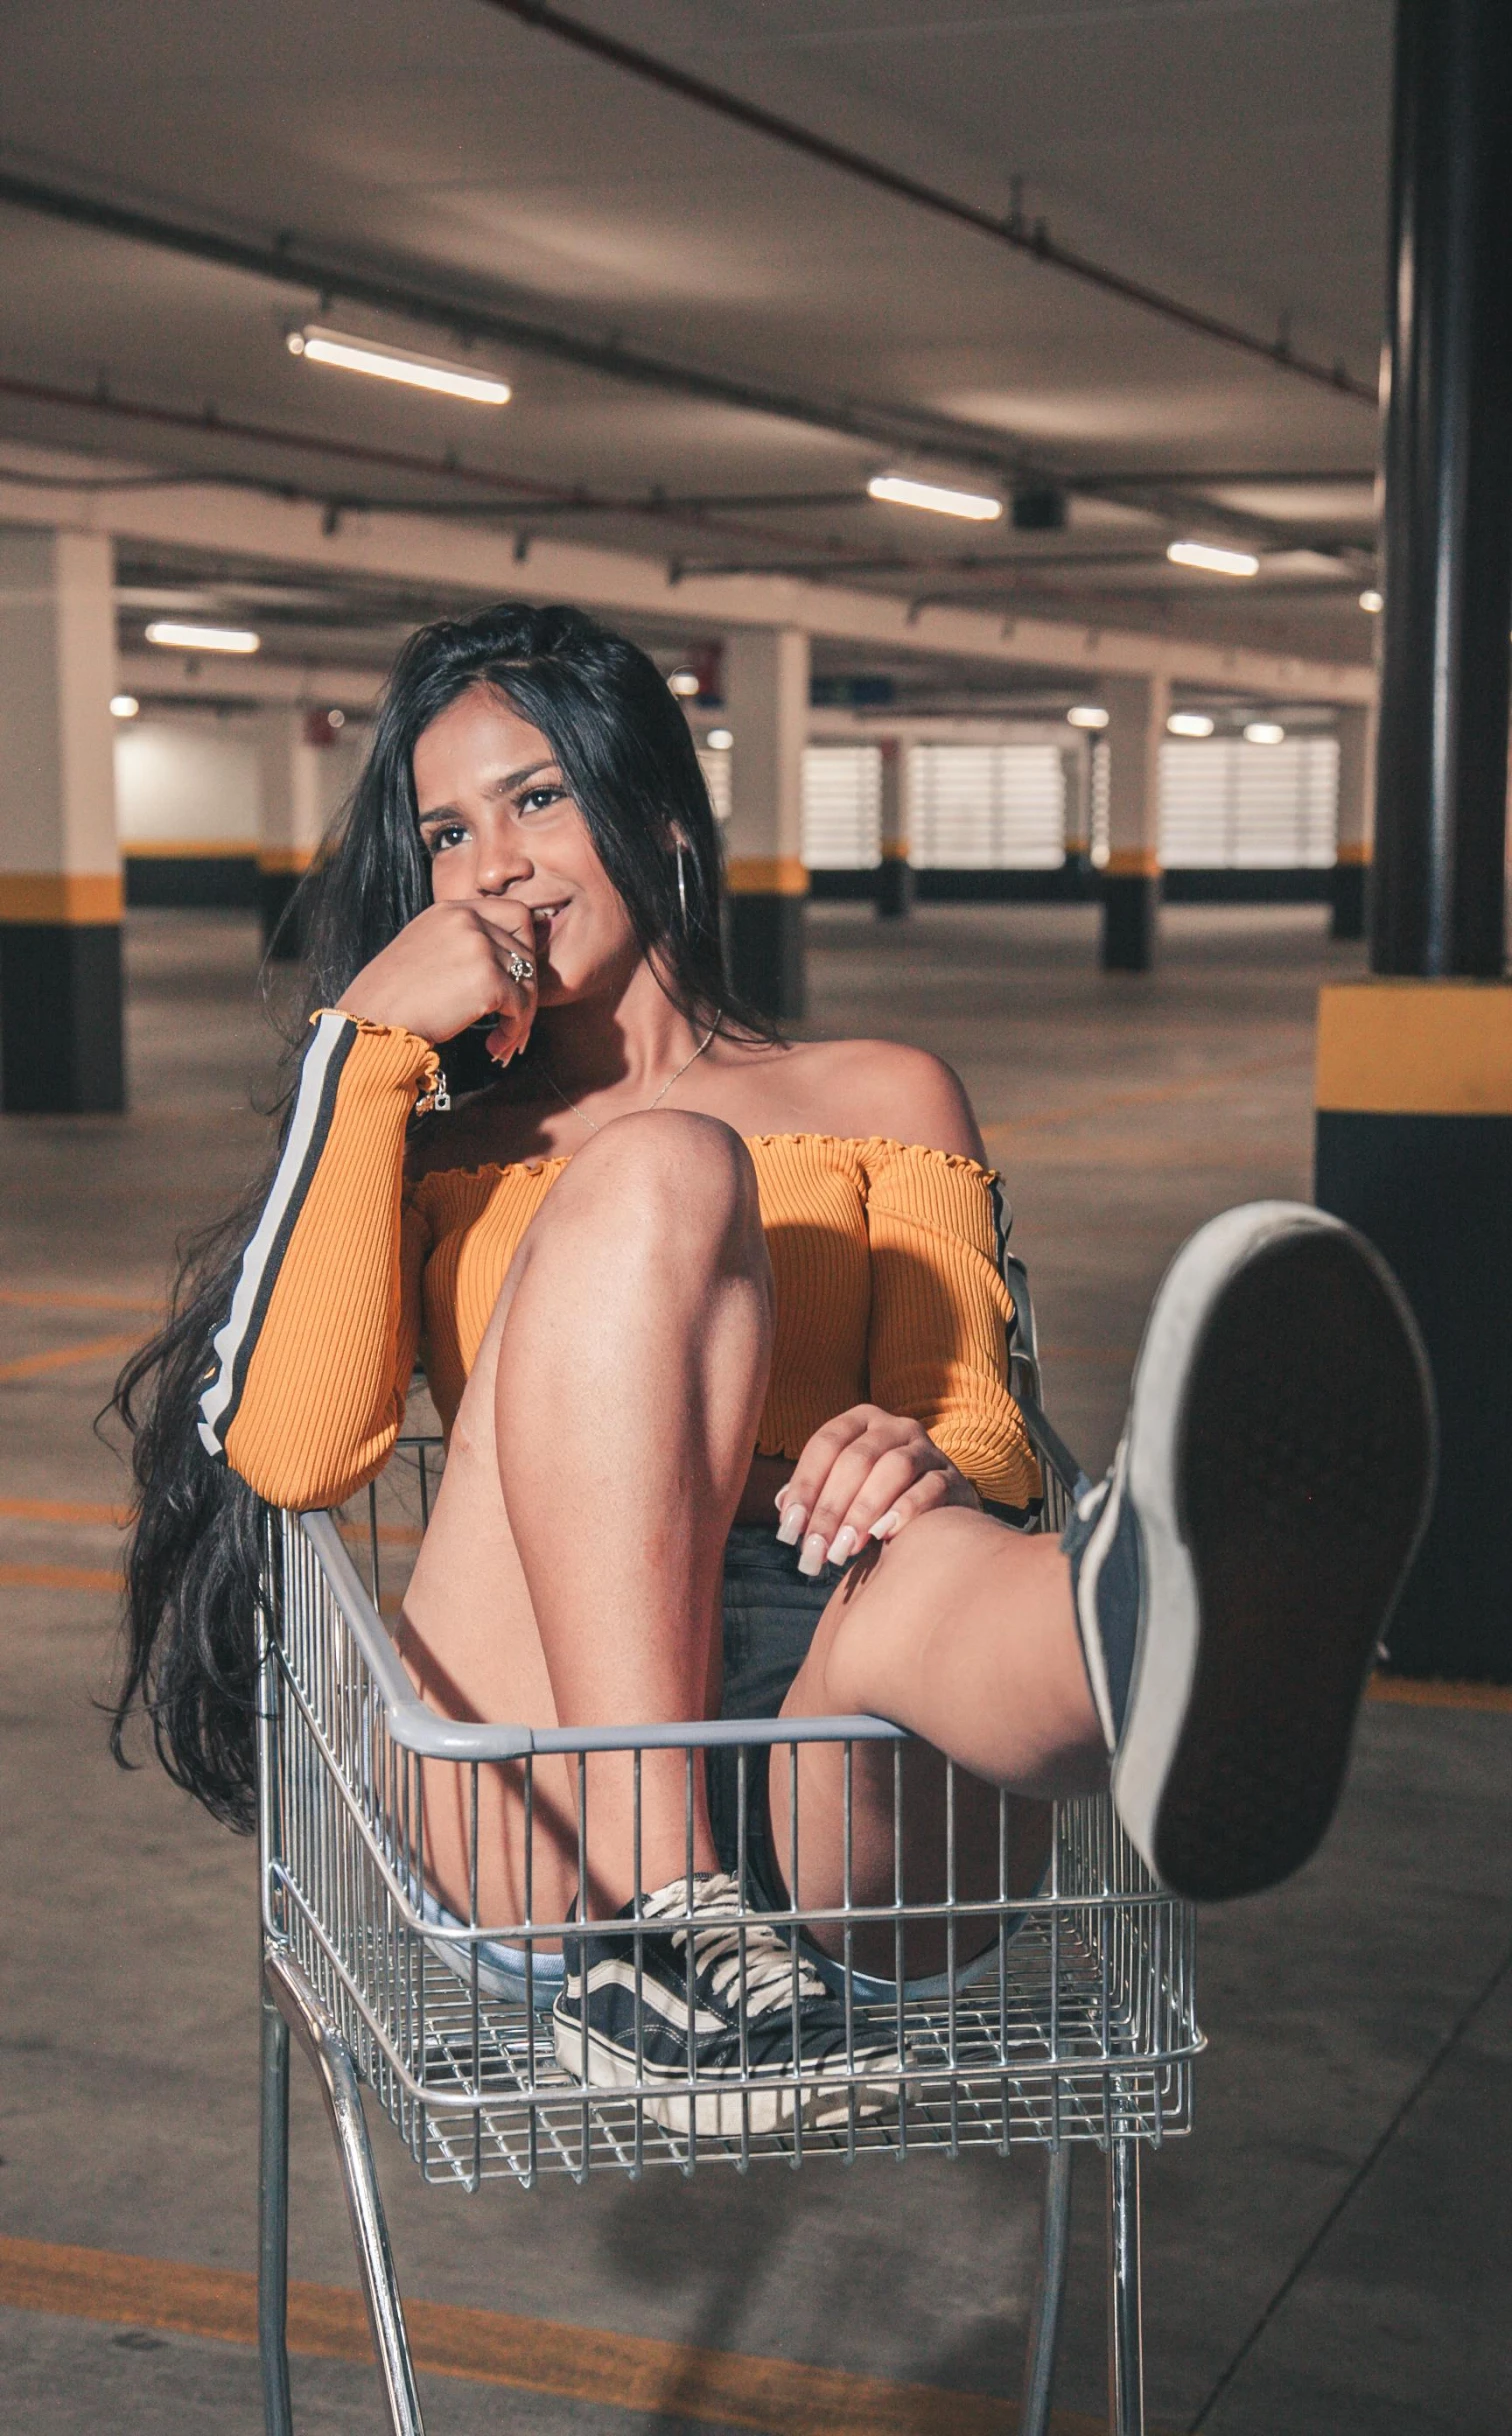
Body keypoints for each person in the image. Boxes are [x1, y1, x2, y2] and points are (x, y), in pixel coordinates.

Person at [113, 602, 1434, 2133]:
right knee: (661, 1168)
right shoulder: (428, 1143)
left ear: (660, 821)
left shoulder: (884, 1092)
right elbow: (295, 1454)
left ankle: (1152, 1635)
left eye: (538, 797)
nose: (495, 865)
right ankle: (660, 1925)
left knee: (932, 1554)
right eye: (448, 833)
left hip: (832, 1724)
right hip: (551, 1758)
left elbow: (984, 1437)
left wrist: (921, 1461)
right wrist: (363, 1047)